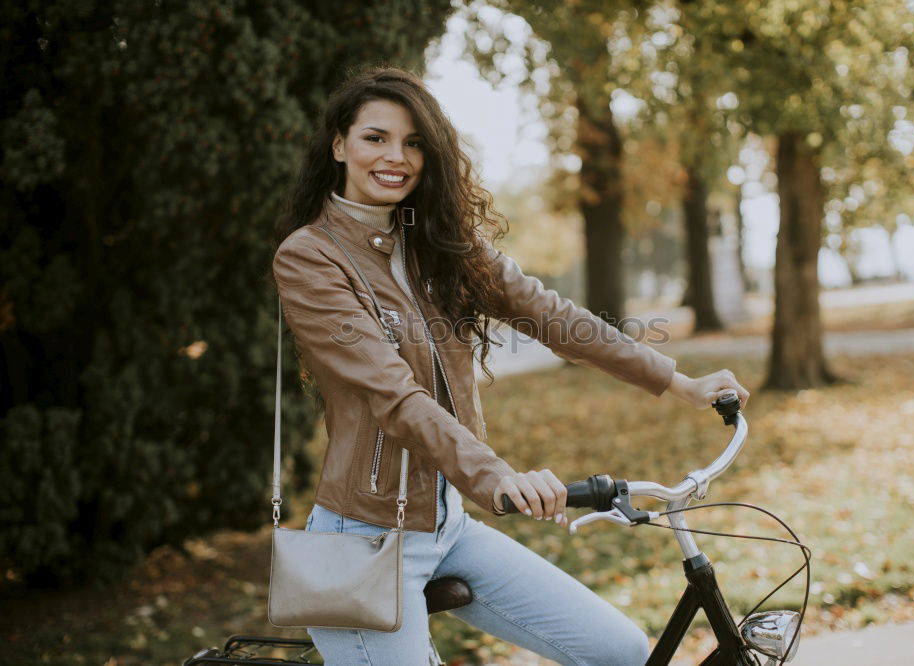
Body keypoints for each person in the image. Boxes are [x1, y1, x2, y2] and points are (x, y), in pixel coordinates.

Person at [271, 67, 749, 666]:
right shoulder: (309, 258)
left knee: (619, 650)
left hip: (446, 527)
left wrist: (679, 382)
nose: (396, 157)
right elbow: (392, 395)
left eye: (414, 142)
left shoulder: (437, 242)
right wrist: (496, 475)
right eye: (376, 138)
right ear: (339, 145)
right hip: (364, 542)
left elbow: (551, 315)